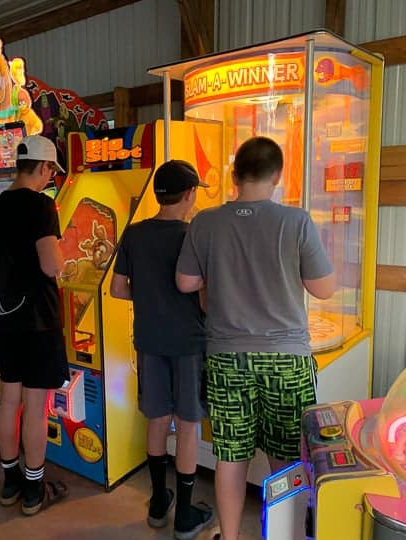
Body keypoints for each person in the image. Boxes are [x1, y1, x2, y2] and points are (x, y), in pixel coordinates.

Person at [175, 137, 337, 540]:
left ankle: (229, 537)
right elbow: (324, 288)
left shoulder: (206, 222)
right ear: (278, 176)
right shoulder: (296, 221)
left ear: (234, 176)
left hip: (228, 359)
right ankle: (283, 534)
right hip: (287, 360)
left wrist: (214, 284)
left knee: (232, 458)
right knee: (286, 459)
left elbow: (185, 282)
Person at [110, 159, 214, 539]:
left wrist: (150, 296)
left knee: (156, 419)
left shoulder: (135, 234)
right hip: (188, 343)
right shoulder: (194, 235)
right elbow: (204, 300)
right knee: (188, 426)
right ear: (189, 195)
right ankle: (185, 516)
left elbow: (117, 289)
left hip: (149, 341)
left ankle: (157, 502)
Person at [0, 134, 70, 516]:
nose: (52, 177)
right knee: (35, 405)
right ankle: (34, 489)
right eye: (52, 171)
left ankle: (10, 481)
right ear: (45, 167)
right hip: (38, 319)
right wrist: (65, 262)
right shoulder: (42, 206)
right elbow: (51, 264)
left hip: (5, 318)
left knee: (9, 399)